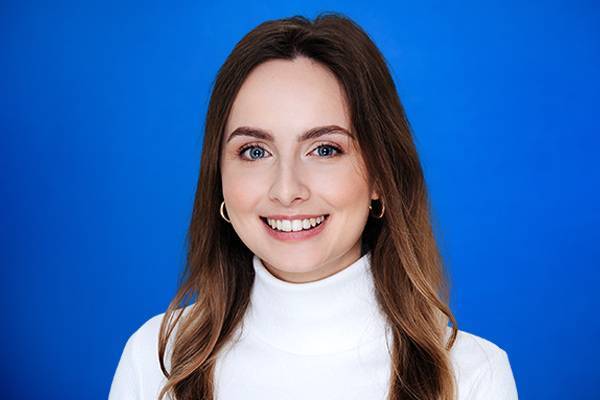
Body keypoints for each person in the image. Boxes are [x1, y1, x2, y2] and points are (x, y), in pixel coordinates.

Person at [108, 13, 518, 400]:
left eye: (324, 149)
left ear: (380, 176)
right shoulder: (157, 360)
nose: (287, 190)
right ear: (219, 179)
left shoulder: (471, 375)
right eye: (255, 151)